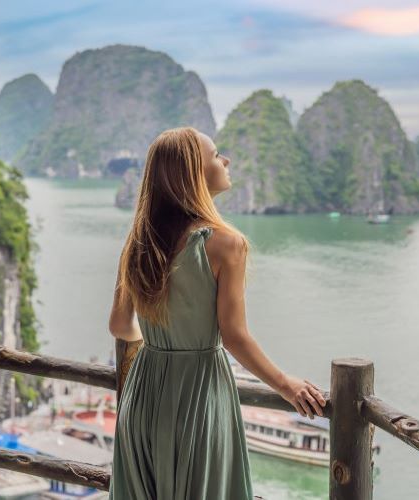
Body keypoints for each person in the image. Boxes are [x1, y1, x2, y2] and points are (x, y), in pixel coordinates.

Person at [107, 127, 326, 499]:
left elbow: (118, 324)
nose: (225, 161)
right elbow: (234, 336)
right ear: (193, 172)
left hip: (143, 395)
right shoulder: (226, 244)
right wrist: (286, 384)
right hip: (199, 396)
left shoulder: (139, 240)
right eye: (216, 155)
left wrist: (164, 343)